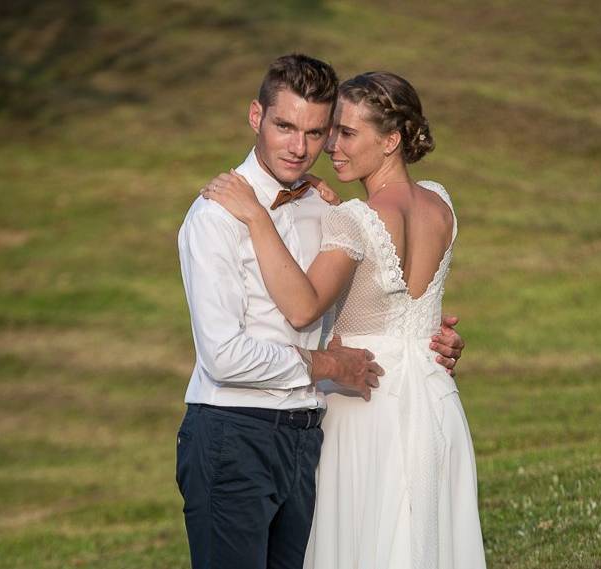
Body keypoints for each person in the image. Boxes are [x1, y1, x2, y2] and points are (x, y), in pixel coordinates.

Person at [176, 55, 465, 569]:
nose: (306, 146)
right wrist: (332, 364)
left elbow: (343, 307)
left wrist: (425, 341)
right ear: (255, 117)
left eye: (320, 131)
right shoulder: (215, 217)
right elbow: (224, 356)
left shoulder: (328, 209)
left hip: (311, 433)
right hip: (235, 430)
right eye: (285, 126)